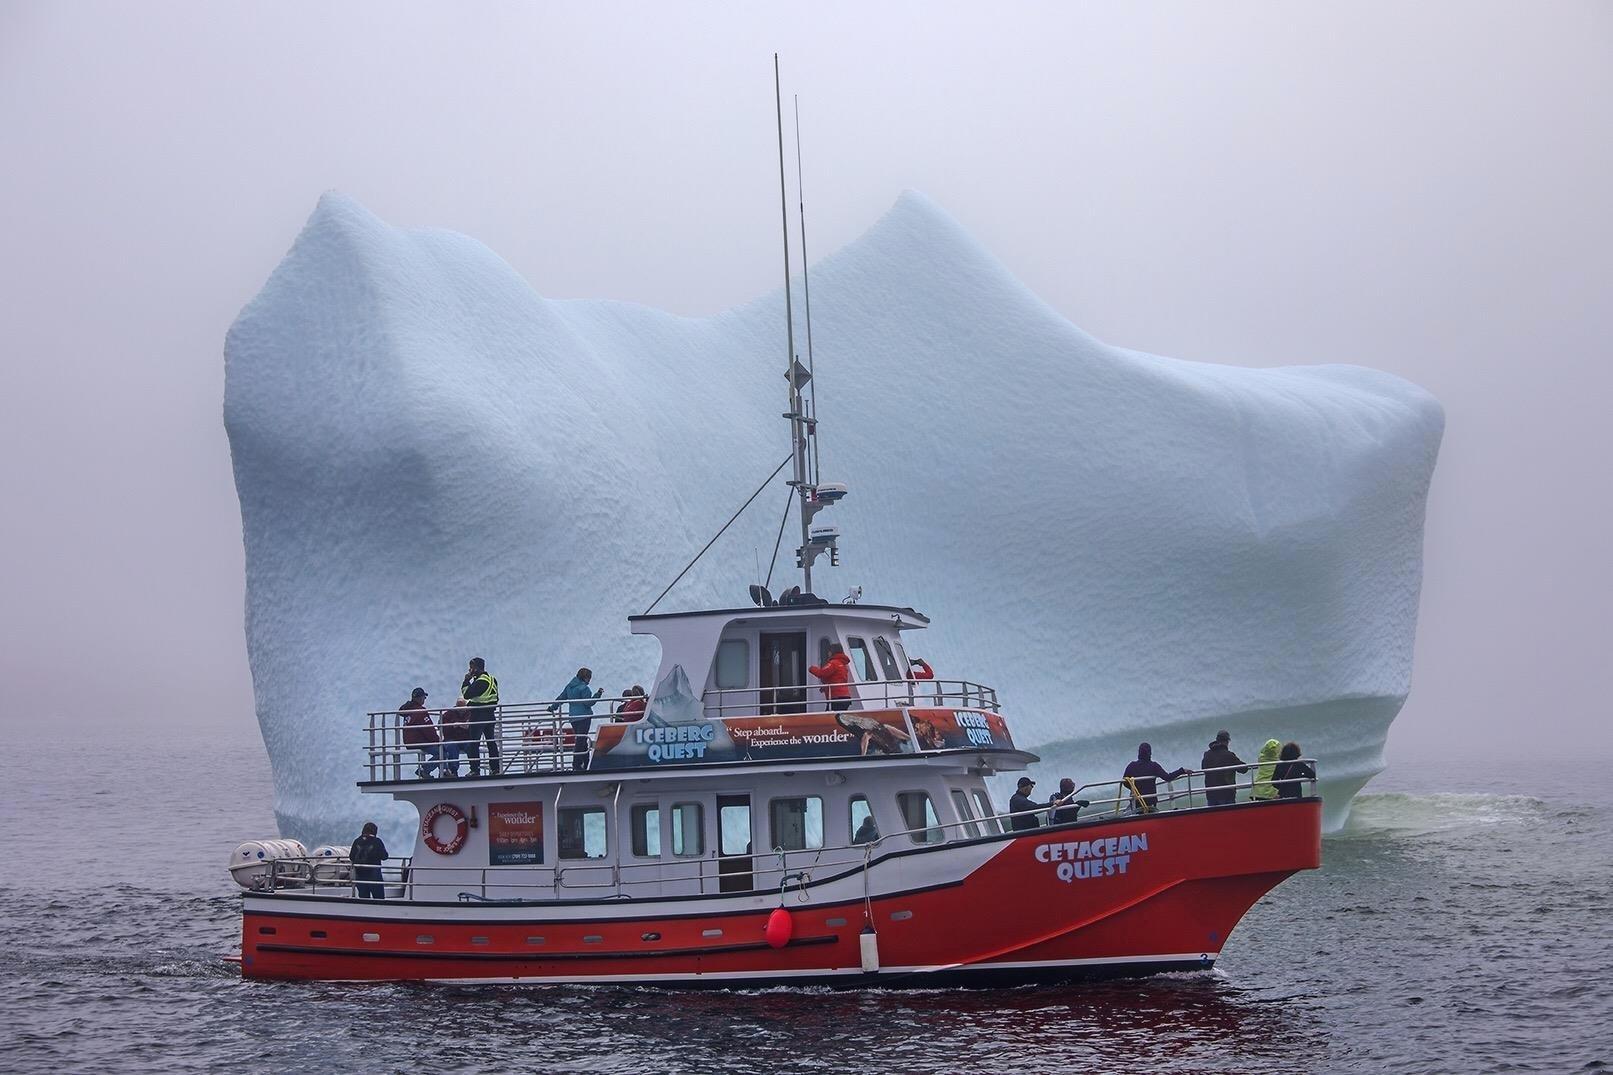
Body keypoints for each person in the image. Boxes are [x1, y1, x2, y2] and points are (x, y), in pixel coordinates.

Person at [549, 667, 604, 770]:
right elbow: (589, 703)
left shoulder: (569, 687)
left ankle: (586, 764)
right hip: (584, 717)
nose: (590, 680)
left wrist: (552, 707)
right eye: (589, 678)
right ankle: (577, 764)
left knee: (581, 740)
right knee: (581, 740)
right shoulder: (584, 688)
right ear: (585, 678)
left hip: (573, 717)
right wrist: (598, 694)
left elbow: (561, 698)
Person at [461, 657, 501, 777]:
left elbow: (466, 694)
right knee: (491, 742)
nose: (470, 669)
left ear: (477, 668)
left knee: (474, 743)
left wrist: (466, 681)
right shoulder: (492, 679)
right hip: (490, 714)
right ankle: (495, 768)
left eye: (472, 667)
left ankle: (475, 770)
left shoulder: (480, 681)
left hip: (478, 715)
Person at [1122, 742, 1191, 811]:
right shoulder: (1154, 766)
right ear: (1150, 753)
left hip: (1136, 803)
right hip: (1151, 802)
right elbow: (1168, 777)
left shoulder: (1131, 766)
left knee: (1126, 811)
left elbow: (1124, 782)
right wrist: (1181, 770)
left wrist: (1134, 789)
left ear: (1139, 753)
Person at [398, 687, 441, 780]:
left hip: (409, 742)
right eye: (424, 697)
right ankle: (425, 770)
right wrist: (438, 741)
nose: (424, 700)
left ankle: (445, 771)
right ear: (420, 698)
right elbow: (428, 730)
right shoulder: (420, 711)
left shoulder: (408, 710)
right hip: (419, 741)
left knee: (441, 751)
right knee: (442, 752)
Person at [1200, 731, 1249, 806]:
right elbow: (1244, 769)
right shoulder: (1229, 755)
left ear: (1217, 740)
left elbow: (1204, 769)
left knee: (1214, 816)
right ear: (1227, 741)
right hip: (1227, 794)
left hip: (1211, 794)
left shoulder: (1207, 755)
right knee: (1229, 816)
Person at [809, 643, 854, 712]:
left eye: (829, 651)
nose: (828, 653)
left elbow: (821, 673)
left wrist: (811, 668)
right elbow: (837, 679)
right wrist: (825, 687)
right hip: (844, 696)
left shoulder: (833, 663)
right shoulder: (842, 664)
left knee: (829, 717)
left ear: (832, 651)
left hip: (836, 698)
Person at [349, 821, 388, 900]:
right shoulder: (377, 841)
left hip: (360, 874)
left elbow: (351, 857)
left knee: (364, 899)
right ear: (375, 831)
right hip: (374, 874)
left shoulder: (357, 841)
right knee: (379, 899)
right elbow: (384, 856)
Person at [438, 700, 473, 778]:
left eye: (463, 708)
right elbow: (441, 727)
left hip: (465, 739)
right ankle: (453, 771)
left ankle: (474, 769)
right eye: (459, 707)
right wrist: (453, 726)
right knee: (452, 746)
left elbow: (476, 729)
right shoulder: (448, 714)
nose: (461, 710)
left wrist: (468, 727)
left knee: (471, 746)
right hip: (451, 739)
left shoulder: (471, 714)